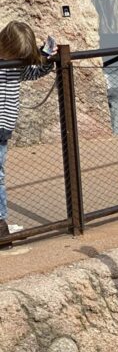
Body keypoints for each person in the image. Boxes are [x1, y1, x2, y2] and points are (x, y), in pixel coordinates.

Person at [0, 20, 56, 247]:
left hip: (3, 130)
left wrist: (46, 57)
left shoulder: (16, 65)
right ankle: (1, 225)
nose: (16, 60)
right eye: (14, 55)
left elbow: (33, 72)